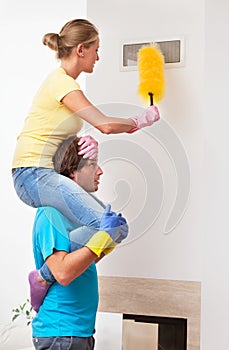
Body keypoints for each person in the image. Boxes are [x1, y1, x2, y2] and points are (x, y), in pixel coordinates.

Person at [12, 18, 160, 232]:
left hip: (41, 174)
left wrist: (80, 141)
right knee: (108, 225)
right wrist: (140, 120)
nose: (97, 57)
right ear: (81, 49)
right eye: (96, 50)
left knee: (114, 226)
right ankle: (51, 268)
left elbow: (51, 131)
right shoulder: (61, 82)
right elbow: (105, 125)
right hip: (33, 174)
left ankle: (55, 266)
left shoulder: (62, 82)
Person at [31, 136, 128, 350]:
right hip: (61, 332)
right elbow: (63, 273)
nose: (100, 171)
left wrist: (109, 239)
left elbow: (84, 262)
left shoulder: (78, 216)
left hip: (77, 332)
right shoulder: (51, 212)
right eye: (92, 165)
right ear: (72, 172)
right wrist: (102, 238)